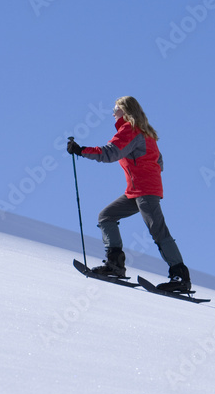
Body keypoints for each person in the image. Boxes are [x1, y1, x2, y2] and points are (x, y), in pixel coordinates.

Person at [67, 96, 191, 292]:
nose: (113, 112)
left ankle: (180, 276)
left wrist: (81, 150)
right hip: (138, 191)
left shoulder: (131, 131)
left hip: (145, 191)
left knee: (158, 230)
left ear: (125, 110)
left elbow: (110, 153)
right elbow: (160, 163)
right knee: (106, 217)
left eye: (116, 108)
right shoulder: (146, 134)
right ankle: (115, 266)